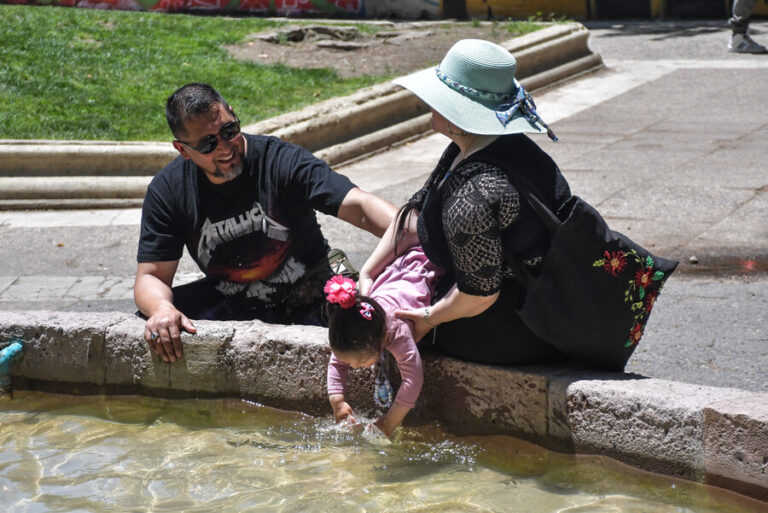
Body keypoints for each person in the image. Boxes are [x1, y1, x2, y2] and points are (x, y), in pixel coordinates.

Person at [136, 83, 397, 363]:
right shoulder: (169, 190)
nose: (225, 147)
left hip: (311, 293)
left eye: (229, 131)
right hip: (233, 301)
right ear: (183, 150)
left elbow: (359, 205)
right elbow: (151, 276)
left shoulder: (280, 160)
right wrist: (161, 308)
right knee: (157, 323)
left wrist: (413, 229)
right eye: (208, 144)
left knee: (367, 328)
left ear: (233, 114)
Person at [359, 39, 572, 365]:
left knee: (394, 331)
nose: (429, 105)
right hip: (539, 294)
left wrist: (427, 319)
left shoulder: (473, 193)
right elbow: (417, 215)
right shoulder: (484, 145)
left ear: (456, 113)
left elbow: (478, 294)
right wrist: (368, 272)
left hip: (517, 321)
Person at [325, 245, 443, 437]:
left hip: (430, 265)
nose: (354, 367)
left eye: (362, 361)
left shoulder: (398, 331)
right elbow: (337, 363)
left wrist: (390, 421)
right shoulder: (355, 322)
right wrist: (337, 402)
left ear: (384, 339)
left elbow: (413, 379)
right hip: (399, 272)